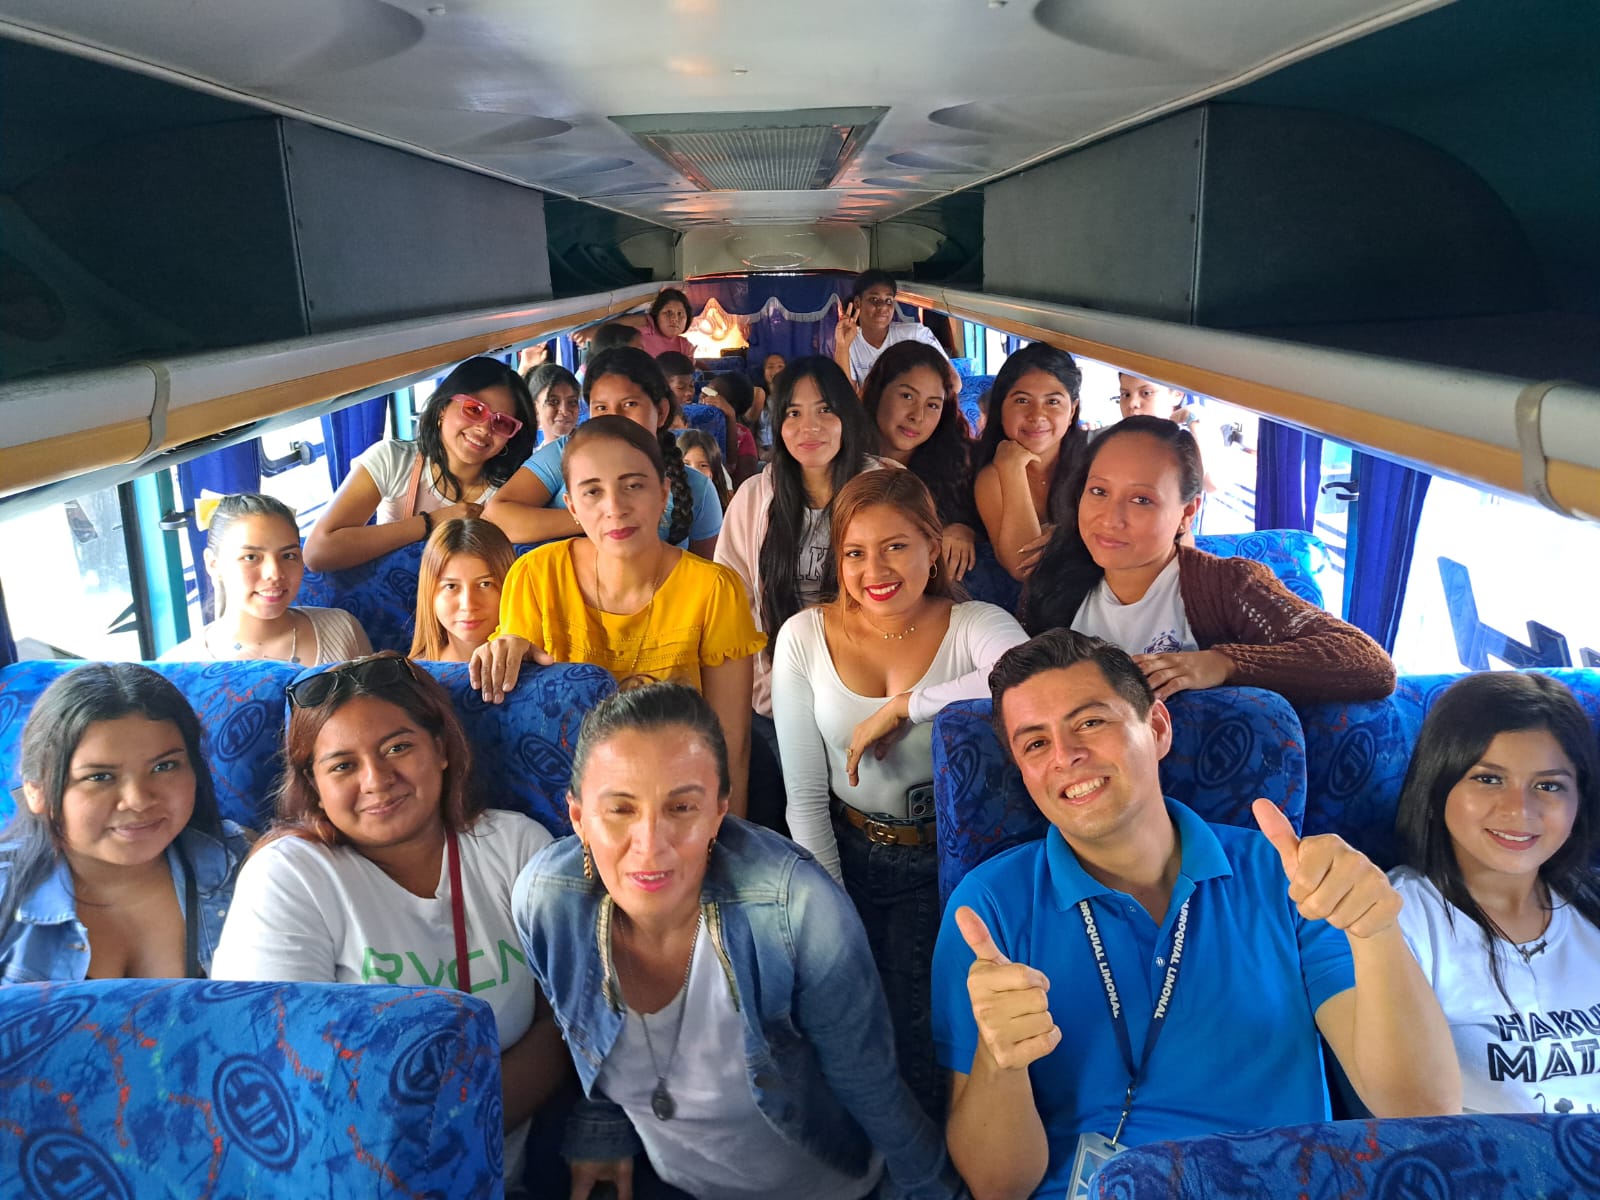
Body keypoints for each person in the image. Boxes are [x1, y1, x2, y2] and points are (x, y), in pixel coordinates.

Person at [933, 630, 1460, 1199]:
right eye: (1036, 743)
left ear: (1158, 728)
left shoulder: (1289, 876)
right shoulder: (988, 909)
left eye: (1090, 722)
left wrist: (1376, 933)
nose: (1065, 756)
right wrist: (1000, 1060)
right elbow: (998, 1187)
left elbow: (1422, 1109)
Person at [513, 679, 962, 1200]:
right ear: (578, 818)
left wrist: (935, 1188)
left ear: (719, 812)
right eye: (621, 809)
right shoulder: (547, 902)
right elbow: (583, 1033)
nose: (650, 845)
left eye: (682, 808)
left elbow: (873, 1089)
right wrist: (603, 1126)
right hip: (668, 1181)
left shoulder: (797, 911)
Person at [209, 652, 567, 1186]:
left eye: (398, 747)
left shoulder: (514, 847)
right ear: (314, 783)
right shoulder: (289, 875)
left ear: (441, 749)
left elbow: (563, 1024)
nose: (377, 780)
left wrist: (450, 1137)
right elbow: (277, 1079)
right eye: (342, 765)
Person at [771, 469, 1027, 1118]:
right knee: (851, 1025)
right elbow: (805, 796)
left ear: (933, 549)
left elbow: (1027, 673)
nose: (874, 570)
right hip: (847, 851)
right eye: (855, 552)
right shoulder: (803, 637)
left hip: (960, 862)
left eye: (896, 547)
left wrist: (909, 705)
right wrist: (835, 912)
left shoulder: (974, 622)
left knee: (928, 1034)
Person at [472, 416, 763, 817]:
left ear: (664, 494)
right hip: (571, 806)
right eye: (593, 492)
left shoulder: (713, 590)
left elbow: (730, 743)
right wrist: (506, 656)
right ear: (572, 507)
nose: (615, 508)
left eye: (633, 486)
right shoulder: (536, 577)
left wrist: (723, 842)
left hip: (676, 802)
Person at [1019, 415, 1395, 704]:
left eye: (1141, 500)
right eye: (1099, 491)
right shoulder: (1057, 578)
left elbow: (1367, 662)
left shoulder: (1226, 586)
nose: (1110, 518)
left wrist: (1223, 663)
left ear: (1188, 512)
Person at [1391, 671, 1600, 1115]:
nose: (1519, 810)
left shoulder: (1591, 904)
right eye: (1488, 779)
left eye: (1548, 786)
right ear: (1438, 785)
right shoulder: (1396, 915)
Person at [1, 663, 249, 984]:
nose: (138, 800)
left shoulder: (247, 867)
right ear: (37, 791)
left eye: (164, 766)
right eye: (100, 777)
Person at [713, 356, 885, 735]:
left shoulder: (885, 489)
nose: (809, 427)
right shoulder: (754, 498)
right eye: (793, 413)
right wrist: (768, 689)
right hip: (775, 687)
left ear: (847, 417)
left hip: (869, 687)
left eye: (825, 410)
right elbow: (734, 602)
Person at [483, 347, 722, 557]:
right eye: (601, 407)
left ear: (660, 411)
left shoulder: (698, 489)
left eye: (629, 404)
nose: (614, 417)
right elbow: (497, 517)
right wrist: (594, 518)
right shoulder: (565, 453)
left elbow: (701, 575)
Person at [304, 357, 536, 571]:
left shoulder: (511, 493)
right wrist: (431, 522)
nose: (484, 428)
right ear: (442, 409)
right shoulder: (393, 460)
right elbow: (318, 552)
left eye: (502, 423)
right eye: (473, 409)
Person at [164, 493, 371, 665]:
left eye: (288, 556)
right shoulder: (180, 667)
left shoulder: (343, 631)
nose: (275, 573)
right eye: (250, 557)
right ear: (213, 564)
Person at [861, 340, 980, 582]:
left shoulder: (961, 463)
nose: (918, 416)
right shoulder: (843, 457)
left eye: (933, 405)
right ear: (878, 392)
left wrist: (964, 529)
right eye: (907, 396)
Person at [973, 343, 1090, 580]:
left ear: (1072, 411)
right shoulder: (992, 478)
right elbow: (1023, 568)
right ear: (1001, 409)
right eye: (1022, 401)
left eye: (1052, 402)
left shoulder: (1095, 462)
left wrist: (1068, 538)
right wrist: (1012, 470)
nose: (1037, 415)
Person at [409, 517, 517, 663]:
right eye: (451, 586)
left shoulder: (542, 663)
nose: (468, 605)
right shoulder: (408, 674)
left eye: (485, 584)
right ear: (429, 594)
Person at [832, 270, 948, 388]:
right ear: (857, 303)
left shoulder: (915, 334)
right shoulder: (850, 343)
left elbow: (953, 382)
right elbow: (844, 391)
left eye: (888, 300)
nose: (883, 307)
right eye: (874, 299)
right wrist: (842, 345)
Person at [699, 371, 760, 487]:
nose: (702, 396)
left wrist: (730, 416)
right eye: (704, 391)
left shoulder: (743, 436)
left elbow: (743, 483)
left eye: (710, 394)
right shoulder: (688, 421)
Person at [618, 287, 696, 358]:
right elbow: (611, 327)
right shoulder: (644, 323)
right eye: (668, 312)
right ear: (657, 313)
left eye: (680, 314)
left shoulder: (686, 348)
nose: (674, 319)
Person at [526, 362, 582, 445]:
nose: (565, 411)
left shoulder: (596, 450)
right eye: (554, 402)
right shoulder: (533, 454)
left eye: (572, 402)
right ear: (535, 410)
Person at [676, 428, 730, 511]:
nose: (694, 473)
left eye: (703, 465)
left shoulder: (723, 509)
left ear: (713, 472)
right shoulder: (666, 505)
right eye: (686, 465)